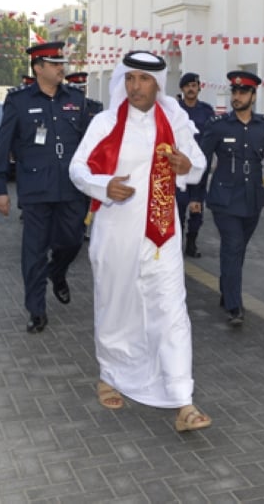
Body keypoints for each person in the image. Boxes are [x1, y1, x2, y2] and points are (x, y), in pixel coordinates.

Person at [70, 50, 211, 432]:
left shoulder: (176, 120)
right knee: (118, 306)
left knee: (170, 309)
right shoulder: (104, 122)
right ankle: (111, 374)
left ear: (158, 83)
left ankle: (183, 399)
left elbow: (196, 162)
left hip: (162, 234)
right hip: (116, 231)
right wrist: (103, 185)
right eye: (129, 79)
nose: (136, 87)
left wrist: (187, 166)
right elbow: (77, 168)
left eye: (144, 79)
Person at [0, 42, 91, 333]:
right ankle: (36, 310)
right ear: (38, 67)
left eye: (62, 62)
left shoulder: (76, 99)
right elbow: (4, 145)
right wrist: (0, 187)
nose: (62, 67)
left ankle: (57, 272)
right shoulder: (18, 101)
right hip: (36, 189)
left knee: (72, 241)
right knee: (34, 251)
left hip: (72, 187)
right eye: (55, 63)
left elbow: (89, 143)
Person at [201, 71, 264, 326]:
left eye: (242, 92)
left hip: (252, 200)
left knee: (238, 251)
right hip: (224, 200)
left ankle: (226, 288)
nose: (236, 96)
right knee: (233, 246)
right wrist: (196, 196)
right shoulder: (218, 126)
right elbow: (202, 162)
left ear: (253, 95)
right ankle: (234, 306)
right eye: (234, 92)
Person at [176, 72, 215, 256]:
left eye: (194, 85)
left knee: (197, 205)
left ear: (199, 88)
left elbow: (214, 136)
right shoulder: (175, 109)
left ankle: (192, 242)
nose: (191, 89)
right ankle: (176, 244)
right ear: (182, 89)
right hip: (178, 166)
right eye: (187, 86)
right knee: (179, 205)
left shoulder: (207, 111)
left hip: (199, 167)